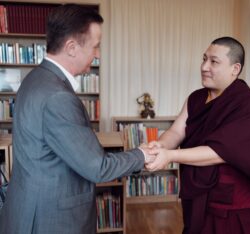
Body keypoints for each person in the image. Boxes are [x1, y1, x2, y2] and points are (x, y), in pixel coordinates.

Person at [0, 4, 154, 234]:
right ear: (72, 47)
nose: (98, 54)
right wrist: (141, 155)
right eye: (96, 46)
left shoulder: (35, 78)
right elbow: (98, 168)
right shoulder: (57, 96)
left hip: (28, 208)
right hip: (50, 219)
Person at [145, 37, 250, 234]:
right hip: (199, 194)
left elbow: (220, 152)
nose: (204, 67)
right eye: (204, 59)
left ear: (235, 68)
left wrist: (171, 156)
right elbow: (176, 130)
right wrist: (161, 146)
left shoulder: (249, 105)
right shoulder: (196, 98)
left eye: (214, 62)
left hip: (230, 204)